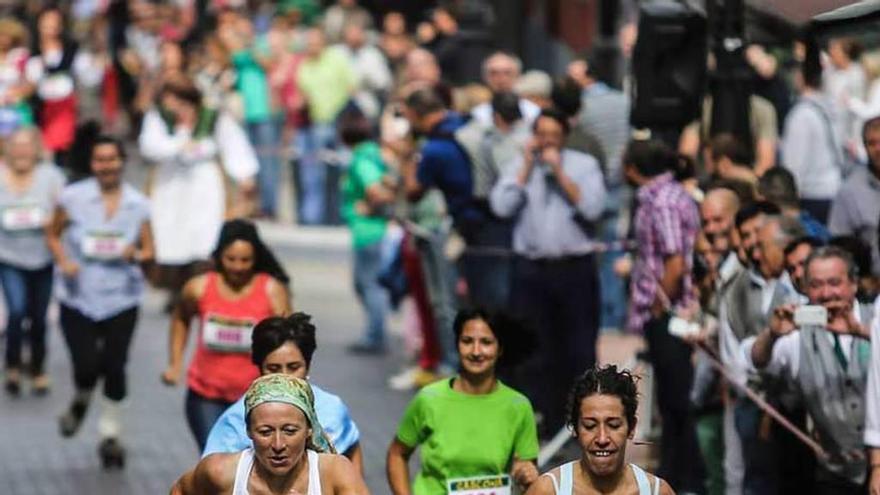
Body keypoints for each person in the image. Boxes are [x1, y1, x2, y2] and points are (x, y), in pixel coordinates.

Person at [491, 108, 606, 436]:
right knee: (530, 350)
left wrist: (559, 172)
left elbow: (593, 207)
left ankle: (574, 419)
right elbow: (501, 207)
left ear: (564, 137)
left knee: (577, 348)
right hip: (531, 270)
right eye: (542, 136)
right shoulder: (520, 165)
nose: (547, 143)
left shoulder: (584, 166)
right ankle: (537, 418)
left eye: (554, 137)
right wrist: (526, 168)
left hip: (573, 269)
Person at [45, 135, 154, 468]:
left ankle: (111, 435)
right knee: (88, 365)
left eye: (112, 159)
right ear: (91, 164)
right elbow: (52, 232)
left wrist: (135, 253)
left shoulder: (138, 204)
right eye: (100, 160)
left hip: (122, 295)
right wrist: (63, 261)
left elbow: (150, 251)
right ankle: (80, 399)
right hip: (78, 295)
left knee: (115, 366)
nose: (106, 166)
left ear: (123, 161)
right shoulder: (73, 197)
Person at [746, 246, 872, 493]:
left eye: (835, 282)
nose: (827, 293)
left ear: (853, 284)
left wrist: (862, 332)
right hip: (836, 475)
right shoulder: (796, 335)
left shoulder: (874, 318)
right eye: (816, 285)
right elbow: (756, 360)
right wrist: (771, 334)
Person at [161, 219, 291, 451]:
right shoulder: (199, 287)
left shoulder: (271, 290)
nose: (238, 267)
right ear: (219, 256)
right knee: (216, 458)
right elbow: (181, 319)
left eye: (245, 260)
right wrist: (175, 363)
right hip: (205, 394)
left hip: (256, 398)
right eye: (231, 259)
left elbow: (289, 341)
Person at [386, 308, 540, 494]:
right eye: (467, 341)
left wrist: (525, 472)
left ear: (500, 349)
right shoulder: (429, 399)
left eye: (486, 342)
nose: (476, 351)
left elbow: (528, 469)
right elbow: (397, 454)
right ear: (457, 345)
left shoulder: (518, 406)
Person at [138, 77, 258, 310]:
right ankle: (175, 289)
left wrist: (245, 175)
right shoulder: (159, 118)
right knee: (170, 234)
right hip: (170, 184)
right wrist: (177, 146)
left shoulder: (212, 118)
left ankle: (202, 288)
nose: (175, 109)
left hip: (203, 185)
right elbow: (149, 145)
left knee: (204, 236)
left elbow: (233, 144)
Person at [624, 138, 702, 493]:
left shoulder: (664, 202)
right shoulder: (659, 197)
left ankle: (682, 477)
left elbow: (675, 259)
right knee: (670, 402)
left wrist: (661, 303)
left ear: (634, 169)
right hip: (658, 311)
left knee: (676, 400)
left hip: (670, 313)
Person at [203, 313, 363, 475]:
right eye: (273, 369)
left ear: (307, 365)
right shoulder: (234, 421)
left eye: (293, 367)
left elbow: (352, 449)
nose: (284, 376)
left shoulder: (331, 407)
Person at [171, 374, 368, 495]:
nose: (278, 444)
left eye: (290, 431)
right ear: (248, 431)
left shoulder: (334, 474)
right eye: (265, 432)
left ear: (309, 429)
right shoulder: (220, 472)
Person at [526, 365, 674, 495]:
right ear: (574, 428)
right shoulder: (548, 490)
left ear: (632, 427)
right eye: (590, 426)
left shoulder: (657, 491)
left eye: (614, 425)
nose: (602, 438)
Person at [0, 127, 64, 394]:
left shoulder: (51, 177)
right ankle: (13, 364)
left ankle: (38, 367)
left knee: (38, 317)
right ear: (8, 148)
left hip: (43, 257)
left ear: (37, 149)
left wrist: (55, 226)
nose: (22, 150)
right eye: (17, 144)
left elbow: (66, 212)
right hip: (9, 256)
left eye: (28, 145)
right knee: (16, 311)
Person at [339, 112, 393, 353]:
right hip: (372, 230)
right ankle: (375, 331)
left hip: (368, 231)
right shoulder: (375, 153)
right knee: (366, 283)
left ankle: (375, 334)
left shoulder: (361, 160)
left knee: (368, 284)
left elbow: (376, 191)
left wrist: (369, 207)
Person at [782, 54, 843, 224]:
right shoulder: (830, 107)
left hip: (813, 198)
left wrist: (788, 204)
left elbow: (793, 167)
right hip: (835, 190)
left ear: (801, 76)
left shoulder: (801, 115)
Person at [829, 116, 880, 277]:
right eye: (872, 143)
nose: (878, 148)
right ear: (864, 147)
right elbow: (839, 247)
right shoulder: (849, 192)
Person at [471, 52, 541, 127]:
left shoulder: (533, 112)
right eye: (494, 73)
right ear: (485, 78)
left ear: (518, 76)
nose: (501, 79)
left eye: (507, 73)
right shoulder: (477, 114)